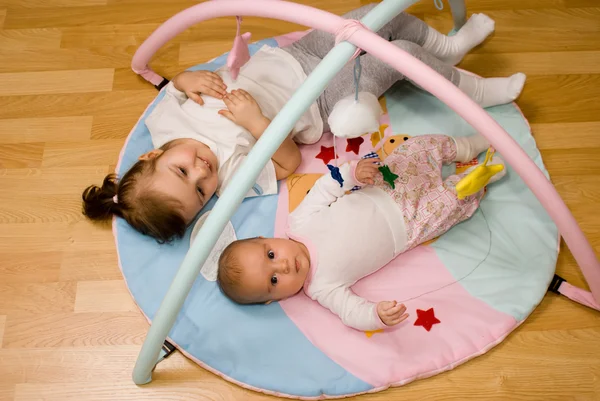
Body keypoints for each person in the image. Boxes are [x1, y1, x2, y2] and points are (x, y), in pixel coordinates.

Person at [82, 4, 524, 243]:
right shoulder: (231, 177)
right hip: (321, 101)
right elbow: (290, 163)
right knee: (400, 56)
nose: (202, 170)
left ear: (153, 153)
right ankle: (475, 91)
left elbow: (174, 88)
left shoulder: (165, 120)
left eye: (182, 170)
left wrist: (183, 77)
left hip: (292, 60)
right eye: (200, 191)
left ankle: (446, 48)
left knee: (376, 17)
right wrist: (258, 124)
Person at [217, 134, 507, 331]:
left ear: (265, 238)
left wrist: (352, 174)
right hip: (411, 225)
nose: (282, 265)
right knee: (451, 202)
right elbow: (351, 312)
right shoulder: (321, 288)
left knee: (416, 149)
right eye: (274, 279)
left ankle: (464, 146)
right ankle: (482, 176)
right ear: (275, 299)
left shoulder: (299, 223)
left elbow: (325, 188)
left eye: (270, 254)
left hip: (386, 186)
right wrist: (376, 316)